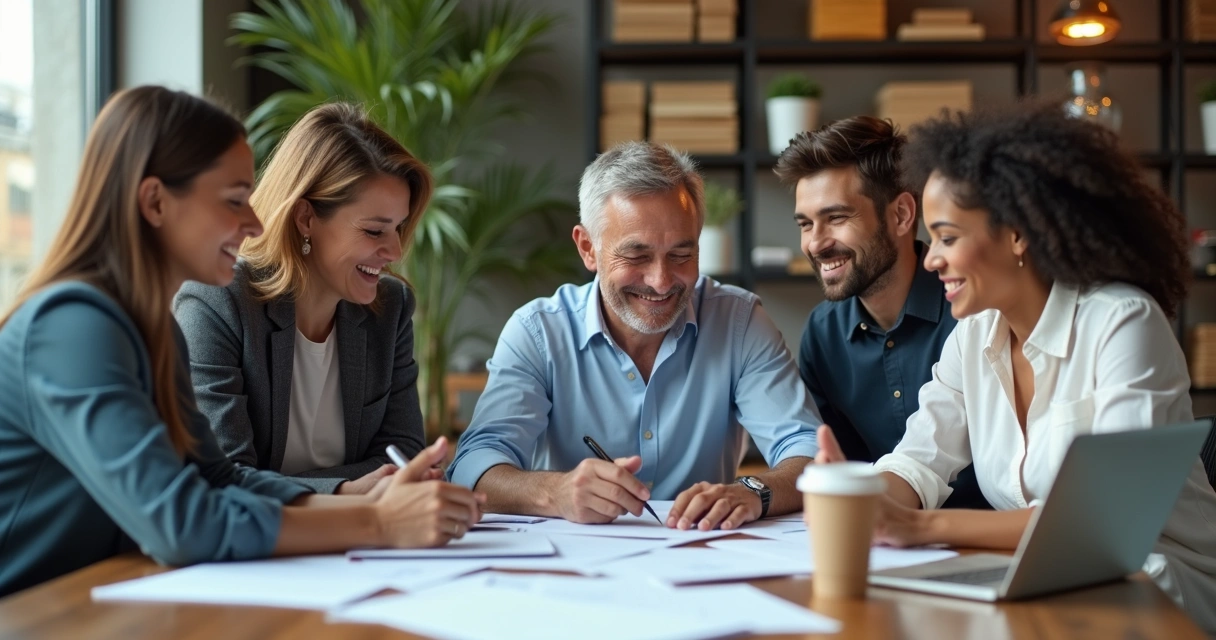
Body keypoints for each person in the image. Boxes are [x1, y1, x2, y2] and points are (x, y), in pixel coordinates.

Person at [0, 86, 481, 597]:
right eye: (234, 201)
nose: (254, 222)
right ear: (156, 202)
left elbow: (219, 479)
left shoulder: (151, 332)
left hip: (90, 601)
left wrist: (374, 508)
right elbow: (182, 523)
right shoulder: (73, 325)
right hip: (31, 611)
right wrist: (379, 524)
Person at [815, 103, 1216, 632]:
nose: (931, 259)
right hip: (1033, 582)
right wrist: (859, 496)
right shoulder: (974, 336)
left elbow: (1102, 525)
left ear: (1019, 234)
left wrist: (917, 525)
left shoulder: (1122, 323)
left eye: (948, 237)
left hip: (1151, 586)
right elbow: (918, 462)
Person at [447, 141, 823, 530]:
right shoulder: (538, 332)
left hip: (701, 558)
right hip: (574, 569)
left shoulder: (740, 322)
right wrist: (555, 492)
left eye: (681, 254)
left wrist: (753, 490)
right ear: (588, 248)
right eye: (636, 256)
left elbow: (809, 452)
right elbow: (473, 467)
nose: (661, 282)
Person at [173, 103, 430, 495]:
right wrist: (342, 491)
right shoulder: (216, 303)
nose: (395, 251)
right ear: (306, 218)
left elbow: (402, 453)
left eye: (399, 228)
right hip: (253, 550)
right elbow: (223, 480)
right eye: (375, 231)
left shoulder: (390, 308)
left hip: (366, 546)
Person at [774, 115, 988, 509]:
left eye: (836, 218)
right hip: (885, 536)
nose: (816, 243)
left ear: (903, 215)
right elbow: (841, 469)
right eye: (806, 223)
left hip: (994, 540)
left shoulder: (976, 310)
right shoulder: (824, 333)